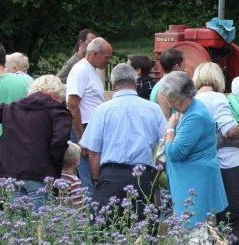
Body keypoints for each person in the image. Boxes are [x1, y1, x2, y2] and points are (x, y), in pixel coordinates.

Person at [79, 63, 166, 224]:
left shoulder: (102, 110)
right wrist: (155, 176)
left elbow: (93, 152)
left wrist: (98, 179)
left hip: (111, 176)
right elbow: (164, 146)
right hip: (143, 177)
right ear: (136, 82)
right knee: (143, 236)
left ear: (112, 84)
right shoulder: (154, 109)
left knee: (103, 232)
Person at [0, 74, 72, 208]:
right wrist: (54, 162)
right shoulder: (58, 112)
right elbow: (59, 141)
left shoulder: (12, 108)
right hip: (40, 174)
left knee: (17, 224)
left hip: (11, 173)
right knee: (40, 224)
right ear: (58, 94)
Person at [193, 62, 239, 245]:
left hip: (202, 164)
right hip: (229, 163)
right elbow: (230, 130)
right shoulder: (218, 98)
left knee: (207, 213)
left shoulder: (191, 100)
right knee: (236, 211)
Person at [160, 71, 228, 231]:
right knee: (194, 233)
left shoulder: (195, 116)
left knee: (195, 234)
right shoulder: (189, 110)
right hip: (192, 180)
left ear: (185, 96)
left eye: (172, 100)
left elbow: (174, 153)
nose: (170, 105)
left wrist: (170, 129)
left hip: (195, 182)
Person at [66, 36, 113, 194]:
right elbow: (72, 104)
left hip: (91, 128)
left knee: (94, 172)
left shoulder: (90, 70)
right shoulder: (80, 71)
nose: (108, 61)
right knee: (88, 176)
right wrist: (81, 138)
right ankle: (91, 211)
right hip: (84, 128)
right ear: (94, 54)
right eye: (106, 57)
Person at [150, 49, 185, 117]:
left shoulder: (160, 85)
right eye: (184, 64)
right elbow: (166, 121)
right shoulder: (165, 89)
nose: (185, 68)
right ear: (177, 67)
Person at [56, 142, 88, 208]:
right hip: (71, 216)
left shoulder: (56, 178)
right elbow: (79, 204)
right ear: (76, 161)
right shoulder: (74, 180)